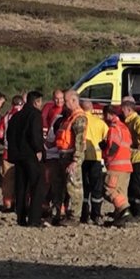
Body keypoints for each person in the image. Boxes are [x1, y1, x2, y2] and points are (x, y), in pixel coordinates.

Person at [5, 91, 46, 227]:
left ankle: (20, 218)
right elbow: (35, 134)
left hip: (18, 156)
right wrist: (38, 149)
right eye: (40, 102)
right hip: (30, 155)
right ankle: (34, 219)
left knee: (21, 187)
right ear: (36, 102)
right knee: (37, 185)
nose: (41, 105)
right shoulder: (35, 115)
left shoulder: (16, 116)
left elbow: (9, 134)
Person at [51, 90, 87, 226]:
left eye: (66, 101)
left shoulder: (79, 118)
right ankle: (59, 213)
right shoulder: (69, 117)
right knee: (60, 187)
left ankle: (74, 217)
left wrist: (75, 160)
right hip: (63, 156)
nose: (64, 104)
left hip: (71, 156)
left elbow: (79, 141)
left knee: (74, 187)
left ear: (74, 100)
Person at [100, 106, 133, 228]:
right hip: (126, 166)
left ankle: (125, 209)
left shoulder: (114, 128)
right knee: (121, 192)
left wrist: (105, 153)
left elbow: (113, 147)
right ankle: (120, 218)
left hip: (116, 166)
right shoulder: (125, 128)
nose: (104, 118)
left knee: (109, 189)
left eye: (104, 115)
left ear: (109, 114)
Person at [79, 98, 108, 224]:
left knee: (84, 188)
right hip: (96, 158)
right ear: (91, 108)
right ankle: (96, 214)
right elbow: (107, 139)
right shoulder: (100, 122)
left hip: (82, 158)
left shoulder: (78, 120)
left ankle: (83, 214)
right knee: (96, 188)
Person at [121, 98, 140, 218]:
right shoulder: (129, 121)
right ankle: (133, 209)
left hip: (139, 157)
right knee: (132, 185)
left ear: (128, 109)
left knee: (138, 185)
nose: (121, 112)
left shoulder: (138, 121)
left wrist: (136, 145)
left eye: (123, 110)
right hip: (132, 157)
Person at [0, 94, 24, 212]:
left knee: (7, 179)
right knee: (21, 179)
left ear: (12, 104)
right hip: (22, 153)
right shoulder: (25, 116)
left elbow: (0, 134)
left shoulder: (6, 117)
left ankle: (7, 203)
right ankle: (20, 203)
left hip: (8, 152)